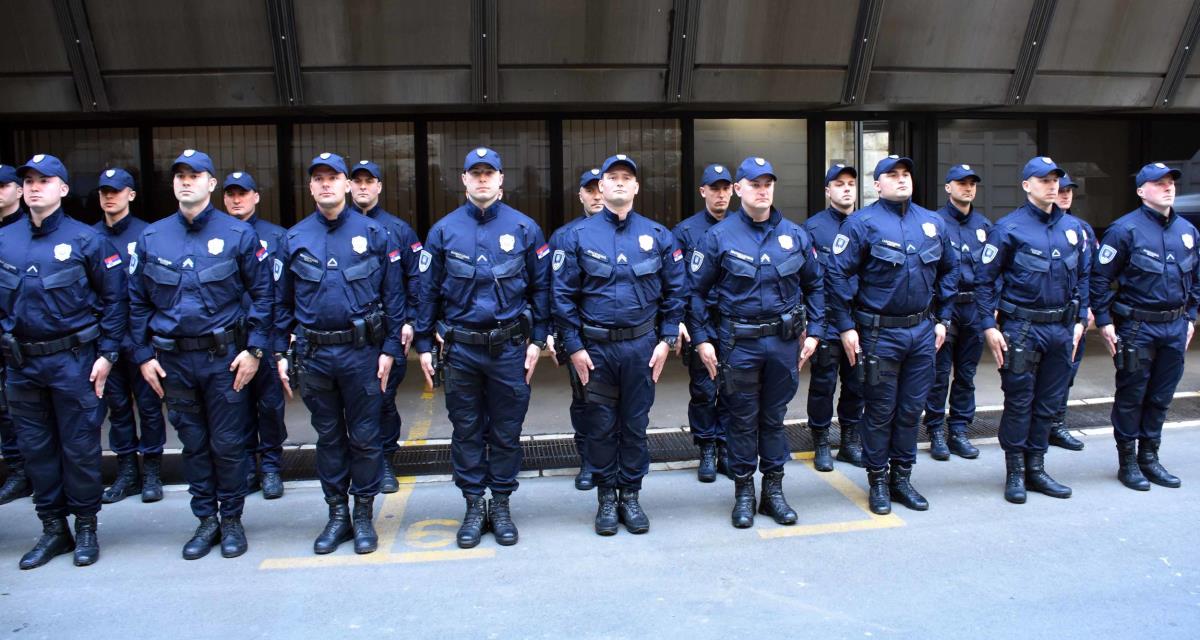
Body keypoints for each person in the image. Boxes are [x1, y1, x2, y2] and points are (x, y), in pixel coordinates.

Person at [128, 149, 271, 560]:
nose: (186, 181)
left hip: (224, 359)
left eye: (196, 175)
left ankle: (231, 520)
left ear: (212, 184)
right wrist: (142, 355)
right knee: (192, 443)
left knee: (228, 444)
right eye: (180, 176)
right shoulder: (152, 237)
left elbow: (264, 295)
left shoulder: (239, 235)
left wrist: (254, 350)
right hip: (173, 361)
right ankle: (205, 519)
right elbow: (136, 301)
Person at [416, 147, 551, 548]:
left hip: (509, 347)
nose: (481, 179)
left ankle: (503, 504)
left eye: (488, 172)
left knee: (507, 430)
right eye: (474, 173)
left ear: (500, 179)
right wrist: (424, 343)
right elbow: (427, 293)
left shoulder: (526, 228)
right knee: (467, 430)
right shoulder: (442, 231)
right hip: (461, 350)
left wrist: (539, 340)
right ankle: (475, 505)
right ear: (463, 180)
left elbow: (542, 288)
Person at [274, 152, 405, 554]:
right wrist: (280, 351)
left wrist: (389, 350)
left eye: (334, 177)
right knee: (329, 438)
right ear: (311, 187)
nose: (326, 184)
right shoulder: (293, 238)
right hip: (314, 355)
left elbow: (393, 297)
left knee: (366, 439)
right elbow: (280, 303)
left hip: (362, 354)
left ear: (348, 185)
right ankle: (337, 516)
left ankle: (364, 516)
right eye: (319, 178)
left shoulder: (377, 234)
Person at [0, 154, 127, 568]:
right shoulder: (5, 240)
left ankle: (86, 526)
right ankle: (53, 528)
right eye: (29, 181)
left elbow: (114, 301)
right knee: (36, 450)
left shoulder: (88, 240)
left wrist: (107, 354)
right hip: (22, 363)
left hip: (74, 360)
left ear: (63, 189)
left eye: (44, 181)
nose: (35, 187)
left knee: (79, 448)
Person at [551, 153, 686, 536]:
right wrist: (574, 346)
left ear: (637, 187)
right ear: (602, 186)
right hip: (595, 351)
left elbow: (676, 292)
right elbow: (563, 297)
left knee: (635, 424)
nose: (620, 183)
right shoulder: (578, 237)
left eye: (628, 177)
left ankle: (631, 495)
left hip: (642, 347)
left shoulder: (659, 236)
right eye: (613, 178)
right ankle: (606, 498)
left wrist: (667, 339)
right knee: (601, 425)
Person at [688, 156, 824, 528]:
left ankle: (774, 493)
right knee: (742, 420)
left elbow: (815, 285)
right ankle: (744, 492)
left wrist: (816, 332)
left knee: (775, 418)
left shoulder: (796, 235)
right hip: (739, 344)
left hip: (783, 344)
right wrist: (702, 339)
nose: (762, 190)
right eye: (754, 184)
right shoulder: (717, 237)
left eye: (768, 184)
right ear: (738, 190)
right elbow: (694, 293)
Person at [826, 155, 958, 515]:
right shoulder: (861, 224)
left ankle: (902, 477)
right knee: (880, 410)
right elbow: (836, 276)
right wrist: (846, 326)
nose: (902, 180)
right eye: (892, 175)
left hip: (921, 331)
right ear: (878, 184)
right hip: (878, 333)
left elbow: (950, 269)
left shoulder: (932, 223)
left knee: (911, 409)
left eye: (906, 174)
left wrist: (943, 318)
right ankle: (878, 480)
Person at [976, 156, 1088, 504]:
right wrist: (988, 327)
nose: (1052, 185)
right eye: (1043, 180)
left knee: (1049, 403)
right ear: (1027, 185)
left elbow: (1083, 276)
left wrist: (1081, 320)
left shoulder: (1073, 229)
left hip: (1060, 328)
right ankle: (1015, 473)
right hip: (1022, 328)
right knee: (1020, 402)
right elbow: (984, 281)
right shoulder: (1008, 228)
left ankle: (1037, 468)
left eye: (1055, 179)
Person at [1090, 162, 1198, 491]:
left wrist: (1191, 317)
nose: (1168, 188)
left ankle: (1150, 457)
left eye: (1171, 183)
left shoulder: (1188, 232)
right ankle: (1129, 462)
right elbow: (1099, 279)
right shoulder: (1124, 231)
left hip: (1174, 327)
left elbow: (1195, 279)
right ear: (1141, 191)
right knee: (1131, 396)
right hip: (1137, 328)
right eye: (1159, 183)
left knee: (1161, 397)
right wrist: (1105, 322)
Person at [94, 168, 168, 504]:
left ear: (131, 195)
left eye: (117, 191)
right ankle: (127, 471)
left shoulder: (147, 235)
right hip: (106, 340)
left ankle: (152, 470)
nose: (110, 197)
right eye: (104, 192)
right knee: (118, 407)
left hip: (142, 339)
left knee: (150, 406)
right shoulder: (90, 238)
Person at [348, 160, 422, 493]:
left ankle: (384, 461)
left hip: (389, 332)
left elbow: (418, 279)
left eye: (369, 181)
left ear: (379, 186)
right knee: (350, 403)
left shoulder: (399, 230)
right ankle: (359, 461)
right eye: (357, 181)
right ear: (349, 186)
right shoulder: (336, 227)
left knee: (383, 398)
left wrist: (410, 320)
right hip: (347, 337)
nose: (363, 187)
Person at [223, 171, 289, 498]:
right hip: (230, 338)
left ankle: (273, 466)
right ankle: (249, 466)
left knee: (270, 405)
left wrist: (282, 342)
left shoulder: (277, 237)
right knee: (237, 406)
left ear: (256, 197)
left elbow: (285, 292)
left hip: (268, 336)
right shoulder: (220, 235)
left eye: (243, 194)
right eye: (231, 194)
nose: (237, 200)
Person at [921, 164, 987, 461]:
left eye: (972, 183)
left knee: (967, 374)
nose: (968, 188)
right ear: (948, 187)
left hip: (974, 307)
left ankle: (958, 429)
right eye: (961, 183)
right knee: (939, 373)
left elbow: (993, 271)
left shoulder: (985, 226)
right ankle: (935, 430)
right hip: (944, 308)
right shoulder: (934, 223)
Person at [673, 163, 733, 482]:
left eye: (725, 188)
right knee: (704, 388)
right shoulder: (685, 231)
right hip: (703, 321)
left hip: (736, 322)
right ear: (703, 192)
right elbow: (678, 282)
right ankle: (706, 447)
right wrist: (682, 321)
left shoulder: (742, 226)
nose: (720, 194)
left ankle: (725, 445)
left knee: (733, 388)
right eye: (714, 188)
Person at [804, 163, 865, 470]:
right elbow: (808, 281)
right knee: (823, 384)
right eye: (839, 184)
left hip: (861, 320)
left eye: (851, 183)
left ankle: (850, 441)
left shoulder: (868, 224)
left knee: (857, 383)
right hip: (827, 320)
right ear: (828, 190)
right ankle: (822, 442)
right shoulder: (812, 229)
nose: (846, 188)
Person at [548, 167, 605, 491]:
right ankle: (588, 461)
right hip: (579, 335)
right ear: (580, 195)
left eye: (601, 187)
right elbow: (555, 291)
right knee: (584, 400)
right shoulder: (564, 236)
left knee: (615, 403)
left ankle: (613, 462)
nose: (597, 194)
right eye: (590, 189)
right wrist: (558, 337)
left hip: (614, 335)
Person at [1048, 174, 1092, 451]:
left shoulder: (1081, 229)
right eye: (1060, 190)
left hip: (1072, 314)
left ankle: (1057, 424)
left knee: (1067, 372)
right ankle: (1037, 425)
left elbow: (1089, 274)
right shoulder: (1020, 225)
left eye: (1069, 191)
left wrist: (1086, 312)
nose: (1065, 195)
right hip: (1039, 316)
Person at [0, 163, 31, 505]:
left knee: (16, 410)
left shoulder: (26, 232)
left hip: (23, 340)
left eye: (3, 185)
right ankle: (16, 469)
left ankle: (26, 472)